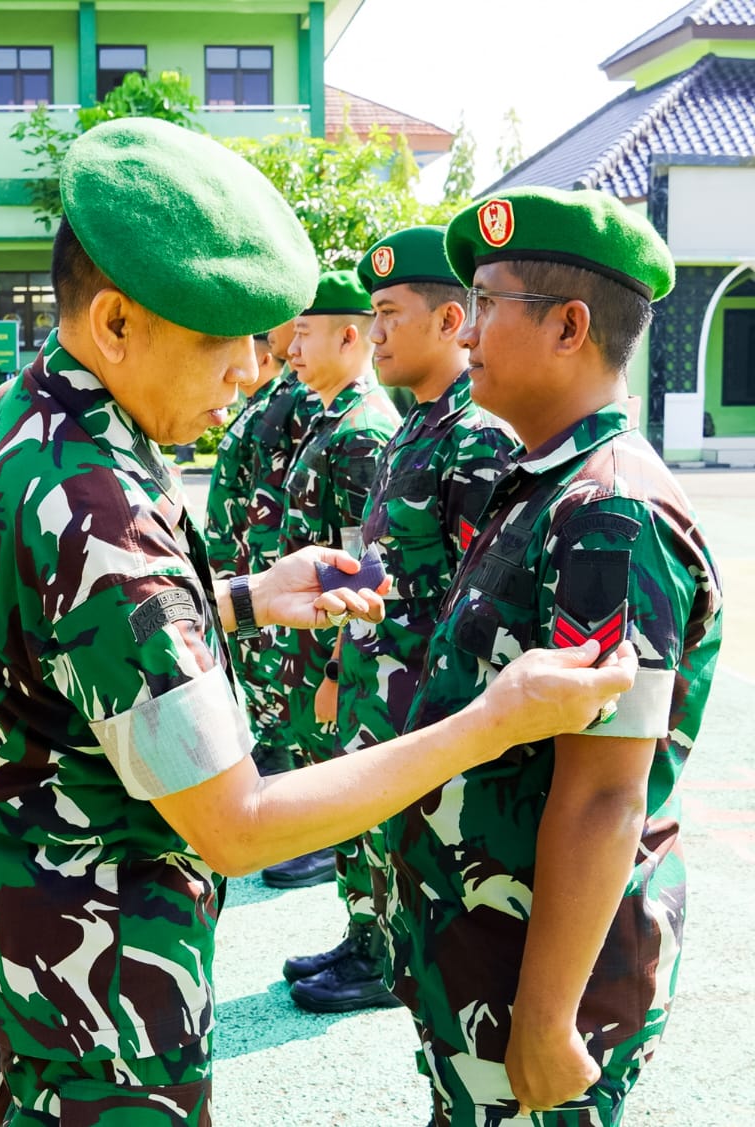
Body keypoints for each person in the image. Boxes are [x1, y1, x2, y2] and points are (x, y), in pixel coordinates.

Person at [0, 118, 637, 1124]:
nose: (254, 371)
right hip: (96, 1000)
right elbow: (240, 824)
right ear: (117, 321)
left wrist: (247, 597)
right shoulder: (97, 505)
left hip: (18, 939)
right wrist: (491, 721)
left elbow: (53, 638)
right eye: (225, 340)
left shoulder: (15, 422)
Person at [387, 188, 722, 1126]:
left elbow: (607, 790)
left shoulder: (611, 511)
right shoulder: (548, 482)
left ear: (570, 326)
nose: (467, 330)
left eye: (488, 303)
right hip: (486, 942)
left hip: (541, 972)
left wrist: (545, 1017)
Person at [284, 228, 516, 1015]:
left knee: (420, 871)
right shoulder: (415, 425)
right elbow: (372, 562)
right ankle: (370, 941)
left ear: (450, 321)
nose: (375, 331)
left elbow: (477, 602)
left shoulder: (476, 437)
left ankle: (391, 960)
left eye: (388, 313)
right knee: (369, 842)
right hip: (373, 688)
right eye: (372, 314)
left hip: (420, 707)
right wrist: (334, 667)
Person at [268, 270, 402, 901]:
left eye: (304, 334)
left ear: (350, 337)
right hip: (308, 640)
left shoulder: (363, 431)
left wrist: (333, 670)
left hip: (335, 651)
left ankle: (367, 930)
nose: (290, 350)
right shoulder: (332, 420)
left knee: (346, 785)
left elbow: (362, 568)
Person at [229, 321, 324, 800]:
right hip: (249, 564)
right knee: (261, 682)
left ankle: (279, 779)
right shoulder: (276, 397)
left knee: (279, 688)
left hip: (276, 568)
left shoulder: (302, 400)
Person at [201, 332, 282, 580]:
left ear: (265, 360)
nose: (236, 364)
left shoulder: (272, 410)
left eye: (247, 355)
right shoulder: (255, 405)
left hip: (244, 549)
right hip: (228, 543)